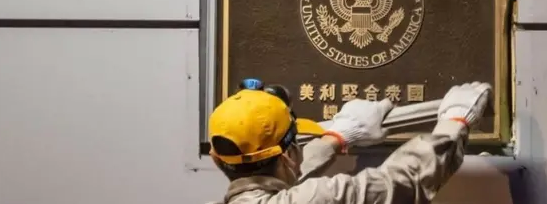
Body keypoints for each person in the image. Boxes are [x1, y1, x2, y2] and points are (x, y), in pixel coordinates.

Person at [208, 79, 492, 204]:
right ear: (288, 156)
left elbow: (271, 191)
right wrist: (454, 123)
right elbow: (401, 181)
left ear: (216, 157)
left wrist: (335, 137)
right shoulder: (323, 199)